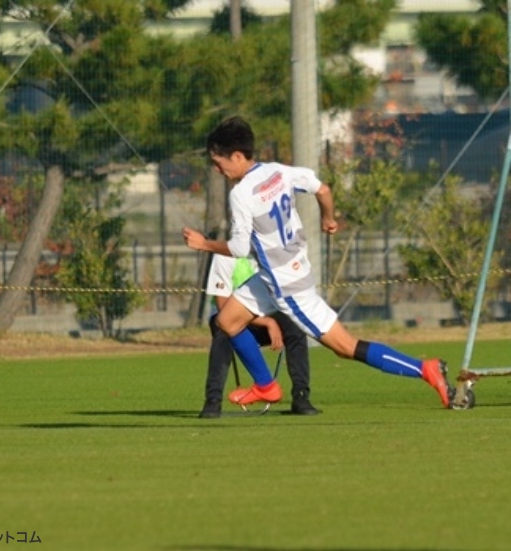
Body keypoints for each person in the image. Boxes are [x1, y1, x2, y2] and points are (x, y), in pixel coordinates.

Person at [183, 116, 453, 409]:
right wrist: (329, 217)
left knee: (346, 347)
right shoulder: (278, 171)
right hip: (275, 275)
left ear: (236, 156)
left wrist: (204, 244)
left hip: (287, 287)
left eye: (218, 160)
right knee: (227, 321)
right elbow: (322, 189)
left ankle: (425, 369)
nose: (216, 168)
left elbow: (237, 248)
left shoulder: (241, 194)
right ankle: (267, 387)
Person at [200, 253, 320, 418]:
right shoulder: (224, 255)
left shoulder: (269, 251)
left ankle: (301, 397)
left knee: (295, 328)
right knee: (223, 332)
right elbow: (222, 305)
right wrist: (267, 323)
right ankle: (213, 401)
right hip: (232, 319)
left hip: (267, 318)